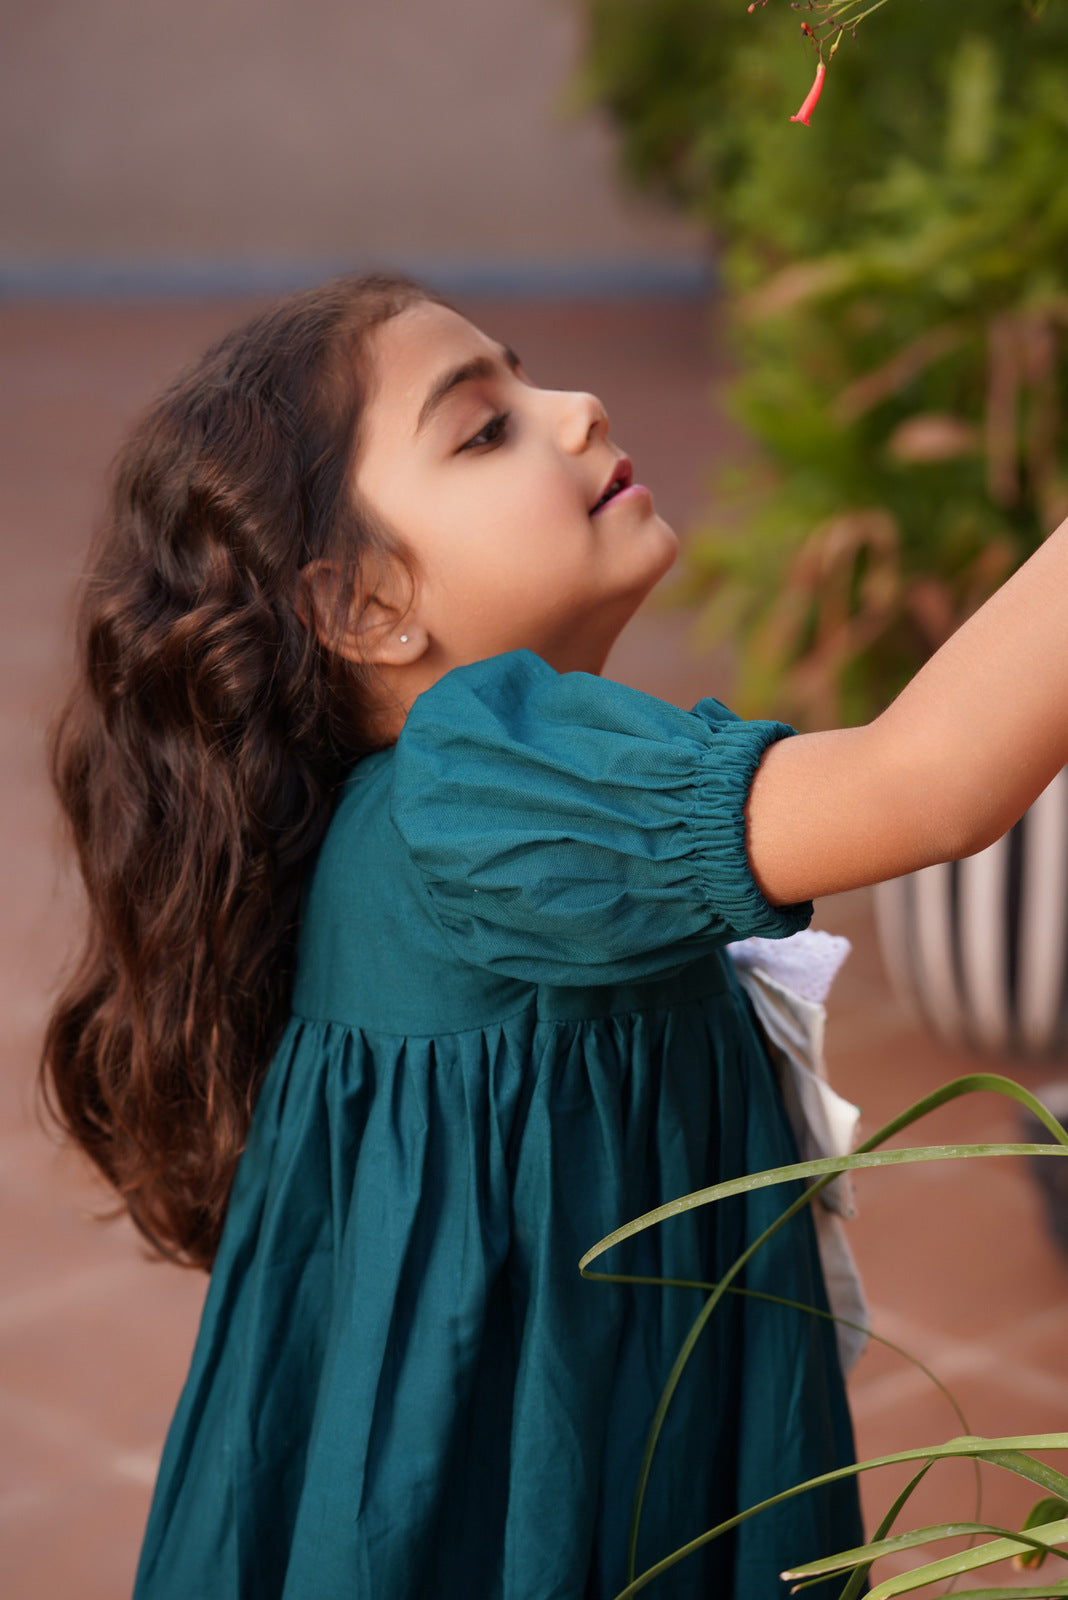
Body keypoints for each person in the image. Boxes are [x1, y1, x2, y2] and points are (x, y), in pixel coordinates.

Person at [39, 270, 1068, 1600]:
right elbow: (926, 785)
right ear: (360, 608)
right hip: (515, 1503)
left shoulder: (456, 799)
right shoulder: (471, 792)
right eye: (486, 428)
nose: (575, 408)